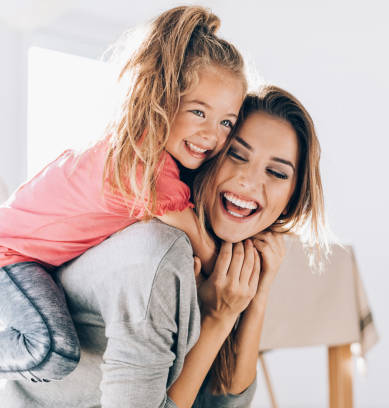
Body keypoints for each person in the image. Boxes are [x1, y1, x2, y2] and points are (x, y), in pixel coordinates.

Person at [1, 86, 328, 408]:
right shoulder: (160, 251)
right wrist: (219, 317)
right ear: (208, 154)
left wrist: (256, 298)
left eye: (276, 172)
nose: (250, 180)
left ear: (291, 200)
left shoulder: (225, 256)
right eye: (236, 155)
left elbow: (222, 403)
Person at [0, 5, 245, 382]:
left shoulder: (148, 155)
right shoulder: (143, 163)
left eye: (226, 122)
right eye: (199, 113)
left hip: (26, 253)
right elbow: (202, 247)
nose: (213, 135)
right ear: (162, 98)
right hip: (9, 255)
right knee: (53, 350)